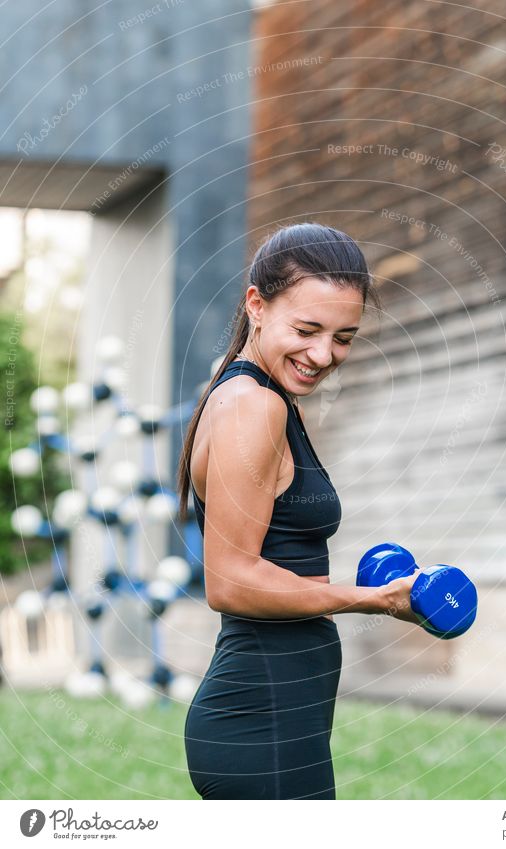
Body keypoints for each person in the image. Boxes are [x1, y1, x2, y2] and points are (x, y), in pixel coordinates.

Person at [179, 222, 418, 800]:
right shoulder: (251, 405)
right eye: (307, 329)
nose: (322, 354)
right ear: (257, 305)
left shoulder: (267, 396)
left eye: (343, 337)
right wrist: (374, 599)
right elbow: (230, 582)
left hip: (284, 718)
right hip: (259, 721)